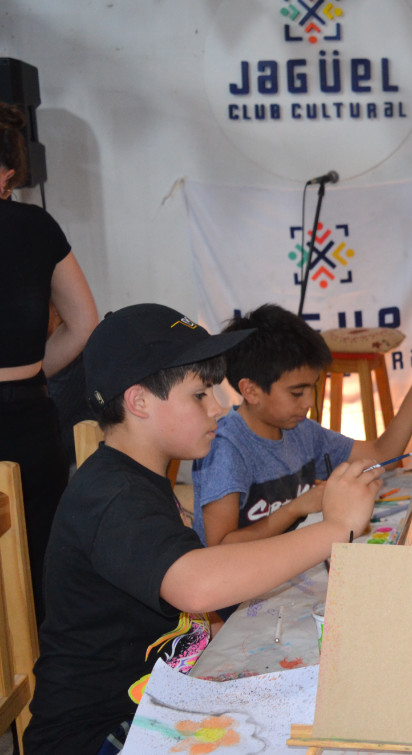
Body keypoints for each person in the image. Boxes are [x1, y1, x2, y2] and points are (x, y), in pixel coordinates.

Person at [24, 303, 380, 754]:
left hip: (161, 704)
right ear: (139, 401)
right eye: (200, 394)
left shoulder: (145, 479)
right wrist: (333, 528)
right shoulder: (110, 496)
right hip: (101, 734)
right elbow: (197, 585)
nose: (219, 406)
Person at [192, 303, 412, 547]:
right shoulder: (225, 448)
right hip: (236, 589)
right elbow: (221, 548)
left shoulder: (301, 431)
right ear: (250, 391)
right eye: (297, 393)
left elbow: (382, 456)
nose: (309, 402)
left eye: (313, 388)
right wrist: (296, 508)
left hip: (286, 566)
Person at [0, 102, 98, 623]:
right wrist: (34, 369)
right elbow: (83, 323)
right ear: (9, 172)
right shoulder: (35, 226)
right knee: (37, 568)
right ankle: (36, 691)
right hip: (27, 415)